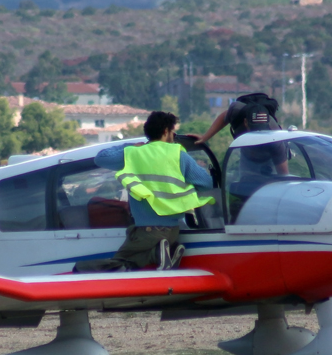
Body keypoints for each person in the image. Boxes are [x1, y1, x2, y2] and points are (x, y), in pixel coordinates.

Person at [75, 111, 214, 272]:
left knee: (119, 264)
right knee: (135, 261)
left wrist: (129, 147)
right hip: (173, 230)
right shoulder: (178, 153)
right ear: (165, 132)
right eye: (172, 131)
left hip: (147, 231)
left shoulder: (135, 153)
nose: (174, 135)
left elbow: (101, 158)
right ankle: (163, 252)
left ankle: (158, 253)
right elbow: (206, 183)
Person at [187, 92, 289, 175]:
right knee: (244, 186)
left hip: (268, 160)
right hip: (247, 156)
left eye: (261, 131)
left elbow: (283, 175)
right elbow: (224, 117)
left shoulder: (276, 139)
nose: (258, 135)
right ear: (245, 122)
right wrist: (205, 137)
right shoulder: (237, 111)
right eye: (254, 130)